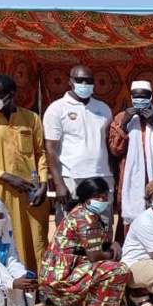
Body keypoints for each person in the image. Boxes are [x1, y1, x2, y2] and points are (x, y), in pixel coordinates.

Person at [0, 74, 48, 272]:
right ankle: (6, 285)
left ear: (11, 95)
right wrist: (6, 176)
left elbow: (40, 153)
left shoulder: (30, 118)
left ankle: (37, 285)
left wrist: (44, 184)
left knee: (34, 237)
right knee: (2, 237)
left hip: (30, 193)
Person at [41, 177, 130, 306]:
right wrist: (114, 254)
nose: (102, 200)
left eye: (104, 197)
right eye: (97, 197)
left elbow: (91, 243)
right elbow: (94, 256)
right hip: (63, 275)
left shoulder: (79, 211)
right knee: (118, 269)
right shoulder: (87, 218)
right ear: (86, 197)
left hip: (56, 270)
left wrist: (110, 245)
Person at [44, 65, 114, 231]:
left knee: (103, 222)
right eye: (79, 80)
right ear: (70, 82)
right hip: (71, 177)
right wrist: (58, 183)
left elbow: (109, 142)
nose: (84, 83)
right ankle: (70, 257)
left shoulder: (103, 109)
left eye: (88, 80)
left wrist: (114, 175)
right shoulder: (57, 109)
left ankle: (101, 256)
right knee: (69, 224)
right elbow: (50, 148)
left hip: (102, 175)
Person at [108, 81, 153, 240]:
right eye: (136, 96)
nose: (140, 99)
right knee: (131, 215)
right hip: (131, 181)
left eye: (144, 96)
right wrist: (125, 123)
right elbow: (115, 149)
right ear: (131, 97)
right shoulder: (121, 118)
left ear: (151, 97)